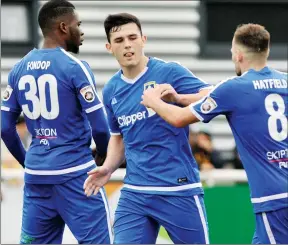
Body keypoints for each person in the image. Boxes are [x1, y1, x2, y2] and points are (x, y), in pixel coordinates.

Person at [141, 23, 288, 244]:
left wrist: (153, 101)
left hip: (275, 197)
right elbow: (215, 98)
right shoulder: (284, 81)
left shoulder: (234, 87)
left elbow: (179, 118)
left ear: (238, 55)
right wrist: (179, 98)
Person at [83, 13, 212, 244]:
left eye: (132, 37)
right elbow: (118, 136)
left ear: (143, 39)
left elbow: (211, 96)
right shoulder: (112, 89)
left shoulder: (169, 72)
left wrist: (179, 98)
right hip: (136, 191)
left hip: (178, 188)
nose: (127, 44)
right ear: (109, 47)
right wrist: (108, 167)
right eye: (119, 40)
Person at [1, 0, 112, 243]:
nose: (81, 32)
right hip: (76, 176)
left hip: (36, 177)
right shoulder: (75, 67)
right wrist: (103, 157)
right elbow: (101, 128)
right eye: (78, 25)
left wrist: (28, 161)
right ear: (63, 27)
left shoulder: (19, 68)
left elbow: (5, 128)